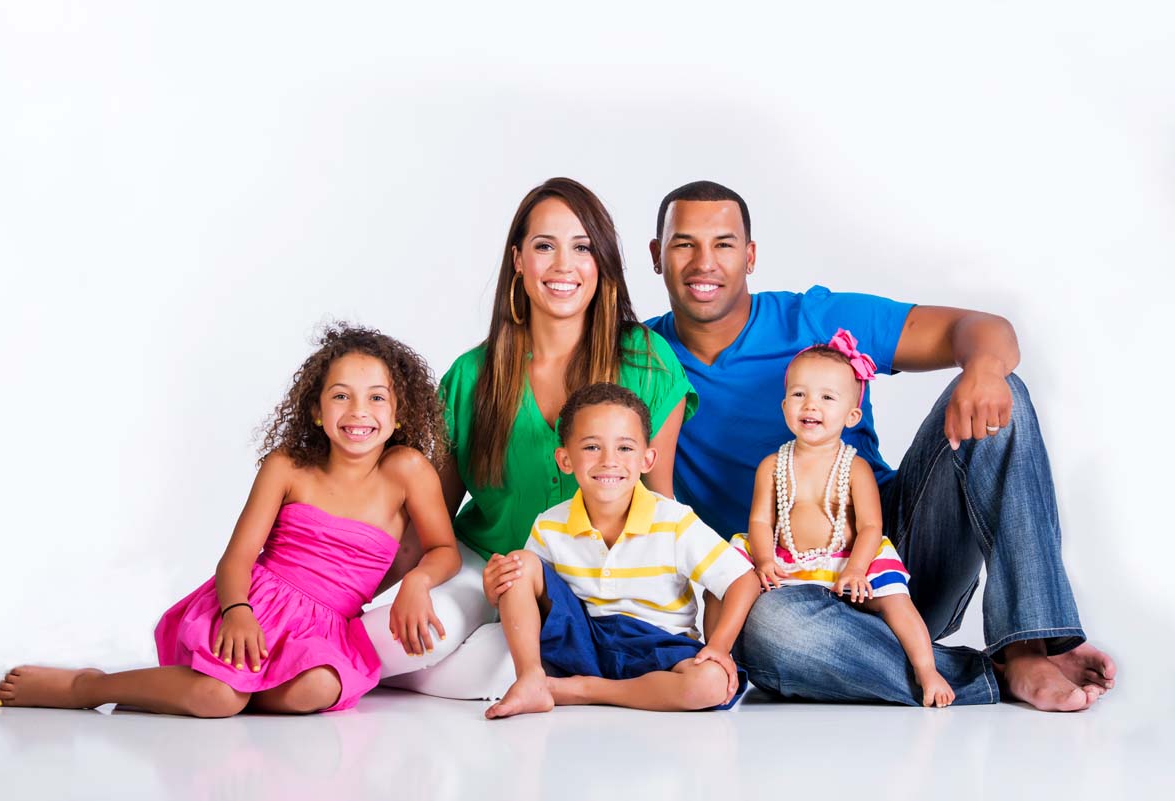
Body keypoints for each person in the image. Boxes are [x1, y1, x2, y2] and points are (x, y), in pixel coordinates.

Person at [645, 180, 1116, 711]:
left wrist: (984, 369)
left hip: (898, 560)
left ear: (750, 256)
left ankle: (1030, 645)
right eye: (684, 244)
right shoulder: (639, 360)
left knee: (998, 394)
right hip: (785, 585)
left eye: (724, 244)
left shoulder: (815, 319)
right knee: (767, 630)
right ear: (657, 256)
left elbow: (981, 328)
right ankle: (987, 675)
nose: (704, 262)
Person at [0, 325, 460, 715]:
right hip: (253, 605)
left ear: (399, 413)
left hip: (324, 628)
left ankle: (219, 691)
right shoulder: (287, 467)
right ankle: (90, 687)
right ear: (317, 410)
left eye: (377, 398)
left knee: (314, 688)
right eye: (341, 396)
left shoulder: (408, 471)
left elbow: (443, 549)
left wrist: (417, 583)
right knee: (218, 698)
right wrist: (237, 611)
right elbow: (236, 558)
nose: (359, 411)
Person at [362, 177, 698, 700]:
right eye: (545, 246)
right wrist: (365, 591)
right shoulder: (472, 375)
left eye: (582, 248)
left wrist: (671, 616)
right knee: (422, 634)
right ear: (518, 259)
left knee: (516, 664)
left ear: (602, 262)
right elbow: (430, 519)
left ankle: (364, 673)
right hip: (484, 562)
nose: (564, 266)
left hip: (588, 583)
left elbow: (660, 497)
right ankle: (301, 655)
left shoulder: (648, 361)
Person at [484, 383, 760, 718]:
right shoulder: (549, 525)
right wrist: (498, 587)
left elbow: (743, 579)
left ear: (647, 459)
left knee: (711, 684)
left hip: (659, 647)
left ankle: (578, 690)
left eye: (625, 448)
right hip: (582, 640)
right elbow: (530, 594)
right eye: (592, 447)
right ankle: (530, 678)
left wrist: (719, 646)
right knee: (518, 563)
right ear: (565, 459)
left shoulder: (674, 521)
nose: (609, 461)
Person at [735, 333, 955, 707]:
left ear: (852, 415)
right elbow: (759, 522)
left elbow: (870, 527)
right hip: (788, 564)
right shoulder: (772, 466)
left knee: (896, 603)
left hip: (848, 561)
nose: (811, 405)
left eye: (827, 397)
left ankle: (926, 669)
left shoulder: (855, 468)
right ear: (785, 405)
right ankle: (720, 654)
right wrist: (765, 560)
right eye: (799, 394)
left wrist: (855, 569)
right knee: (728, 577)